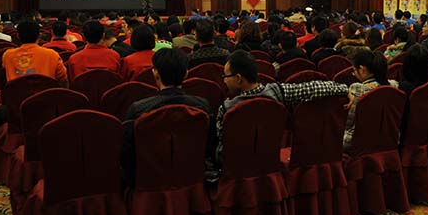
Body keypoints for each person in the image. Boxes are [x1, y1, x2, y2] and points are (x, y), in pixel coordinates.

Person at [206, 50, 348, 182]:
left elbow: (221, 153)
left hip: (238, 174)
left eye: (225, 76)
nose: (224, 80)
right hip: (272, 168)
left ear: (238, 78)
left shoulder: (226, 108)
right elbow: (316, 87)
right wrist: (345, 89)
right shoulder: (278, 91)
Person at [122, 48, 211, 186]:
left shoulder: (139, 110)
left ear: (155, 73)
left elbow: (127, 154)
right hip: (191, 179)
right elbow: (209, 147)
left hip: (149, 181)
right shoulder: (201, 106)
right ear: (186, 74)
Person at [343, 50, 398, 150]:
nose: (354, 74)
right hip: (390, 141)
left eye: (354, 71)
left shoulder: (358, 88)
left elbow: (348, 123)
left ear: (362, 69)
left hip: (359, 144)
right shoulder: (394, 86)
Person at [2, 21, 67, 86]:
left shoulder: (7, 55)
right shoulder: (52, 55)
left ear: (18, 36)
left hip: (16, 92)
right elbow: (63, 79)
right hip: (46, 91)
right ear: (39, 36)